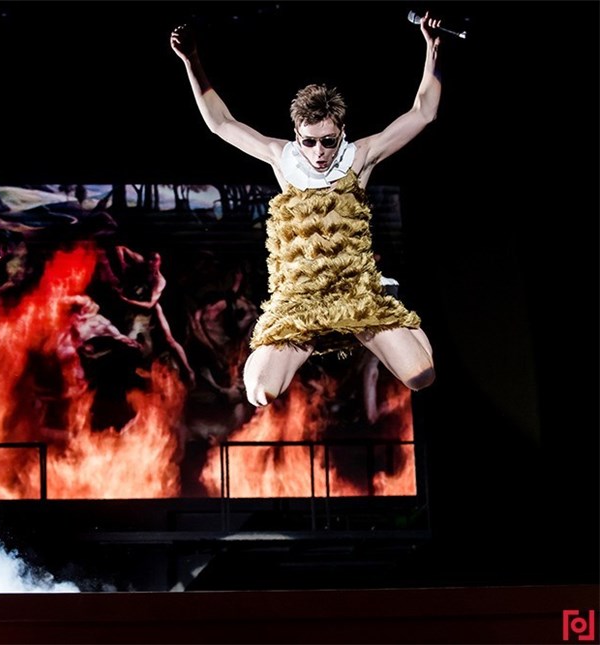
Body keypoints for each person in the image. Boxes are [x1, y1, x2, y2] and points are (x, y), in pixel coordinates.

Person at [170, 13, 441, 407]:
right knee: (260, 393)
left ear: (341, 133)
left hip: (355, 292)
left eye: (328, 142)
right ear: (297, 135)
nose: (319, 153)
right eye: (309, 142)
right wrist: (192, 61)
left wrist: (433, 49)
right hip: (301, 298)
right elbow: (221, 123)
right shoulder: (282, 158)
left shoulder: (360, 157)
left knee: (422, 377)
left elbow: (422, 113)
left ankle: (392, 301)